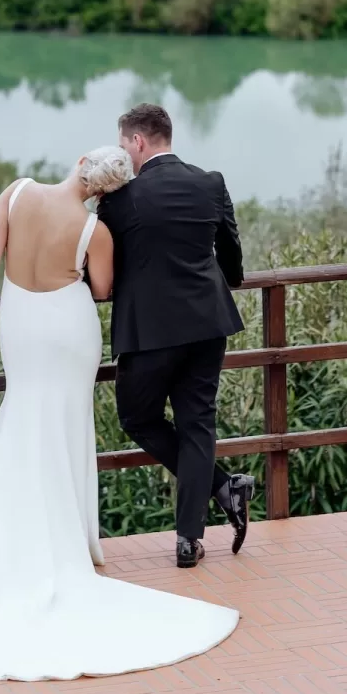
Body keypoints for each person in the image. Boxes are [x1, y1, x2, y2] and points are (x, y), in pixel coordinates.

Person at [0, 147, 238, 681]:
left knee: (23, 417)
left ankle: (20, 534)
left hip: (22, 327)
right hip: (69, 331)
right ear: (105, 192)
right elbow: (101, 289)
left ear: (78, 163)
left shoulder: (17, 191)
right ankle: (75, 540)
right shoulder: (94, 230)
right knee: (66, 427)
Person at [98, 103, 254, 570]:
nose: (124, 154)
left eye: (125, 144)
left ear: (138, 142)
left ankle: (223, 488)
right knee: (197, 423)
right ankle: (189, 539)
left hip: (149, 331)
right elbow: (233, 261)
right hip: (208, 323)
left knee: (138, 418)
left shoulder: (120, 199)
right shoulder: (210, 183)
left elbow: (108, 266)